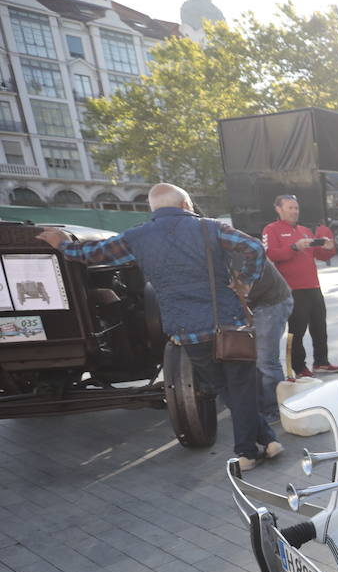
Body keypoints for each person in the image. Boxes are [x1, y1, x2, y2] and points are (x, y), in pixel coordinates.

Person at [37, 183, 282, 469]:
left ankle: (258, 446)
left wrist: (61, 243)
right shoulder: (211, 228)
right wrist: (244, 281)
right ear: (186, 205)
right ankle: (256, 447)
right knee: (240, 388)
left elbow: (94, 254)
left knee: (224, 387)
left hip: (187, 331)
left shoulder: (138, 236)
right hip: (228, 324)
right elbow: (253, 246)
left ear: (153, 208)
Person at [264, 194, 338, 380]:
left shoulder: (305, 230)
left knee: (319, 326)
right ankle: (297, 367)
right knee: (296, 330)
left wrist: (328, 247)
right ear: (278, 209)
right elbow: (271, 254)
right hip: (291, 289)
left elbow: (321, 256)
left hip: (313, 286)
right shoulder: (271, 230)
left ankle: (321, 361)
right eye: (290, 208)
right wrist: (294, 247)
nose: (295, 211)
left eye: (296, 208)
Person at [239, 257, 292, 425]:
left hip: (271, 304)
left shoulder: (237, 249)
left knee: (266, 361)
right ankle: (266, 405)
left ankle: (275, 410)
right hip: (268, 302)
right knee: (261, 360)